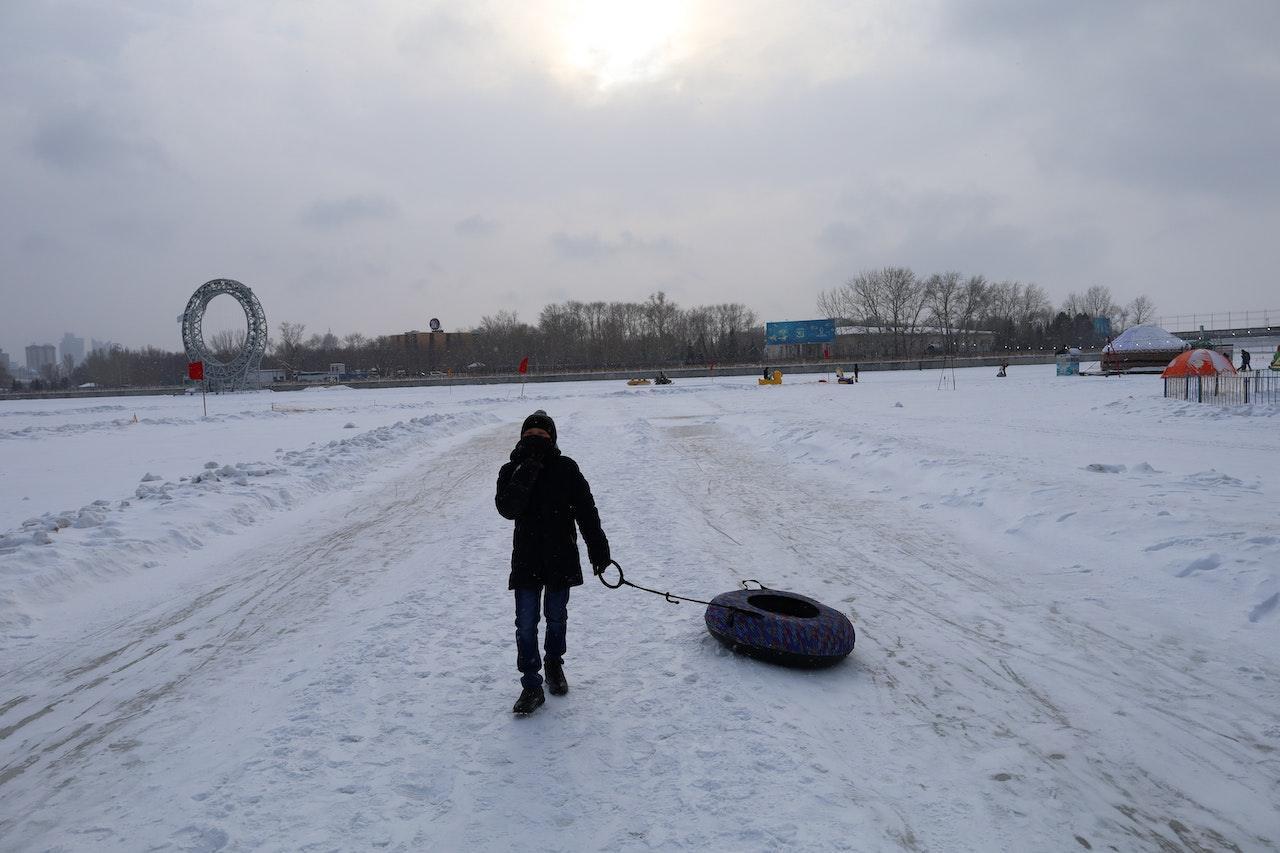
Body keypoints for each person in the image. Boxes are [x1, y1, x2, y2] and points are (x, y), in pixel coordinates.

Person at [495, 410, 610, 715]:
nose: (536, 440)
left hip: (561, 557)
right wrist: (529, 467)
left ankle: (554, 664)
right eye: (530, 436)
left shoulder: (567, 468)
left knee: (557, 618)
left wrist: (599, 551)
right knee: (526, 625)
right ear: (521, 438)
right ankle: (531, 685)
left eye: (542, 436)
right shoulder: (511, 469)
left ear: (552, 438)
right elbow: (507, 508)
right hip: (527, 559)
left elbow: (587, 511)